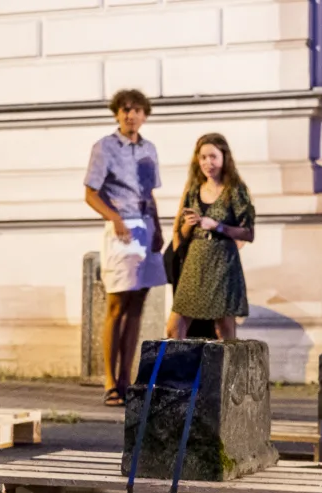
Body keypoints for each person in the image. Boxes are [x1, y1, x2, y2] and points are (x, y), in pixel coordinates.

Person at [84, 89, 166, 407]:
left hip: (145, 228)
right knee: (116, 305)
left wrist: (158, 229)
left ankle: (126, 378)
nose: (131, 115)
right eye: (125, 109)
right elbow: (90, 193)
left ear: (145, 115)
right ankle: (108, 381)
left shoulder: (150, 150)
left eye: (137, 110)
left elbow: (150, 194)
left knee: (137, 307)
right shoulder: (104, 147)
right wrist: (114, 217)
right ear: (117, 113)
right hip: (120, 230)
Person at [167, 133, 253, 340]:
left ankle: (228, 371)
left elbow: (248, 232)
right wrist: (188, 226)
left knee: (224, 327)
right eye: (203, 157)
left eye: (213, 157)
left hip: (222, 259)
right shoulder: (193, 190)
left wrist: (218, 226)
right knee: (175, 326)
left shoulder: (235, 190)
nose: (208, 162)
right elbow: (180, 231)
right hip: (195, 260)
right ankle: (178, 370)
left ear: (224, 157)